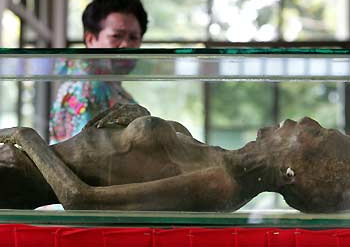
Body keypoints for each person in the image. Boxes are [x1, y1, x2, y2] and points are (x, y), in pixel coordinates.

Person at [0, 103, 350, 213]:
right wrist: (141, 118)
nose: (300, 121)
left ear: (292, 175)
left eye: (315, 134)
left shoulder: (220, 184)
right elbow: (147, 157)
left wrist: (25, 137)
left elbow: (81, 199)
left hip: (15, 170)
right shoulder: (223, 163)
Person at [49, 0, 148, 144]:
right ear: (90, 39)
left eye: (133, 37)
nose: (126, 45)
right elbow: (85, 156)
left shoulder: (114, 91)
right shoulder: (87, 88)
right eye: (116, 36)